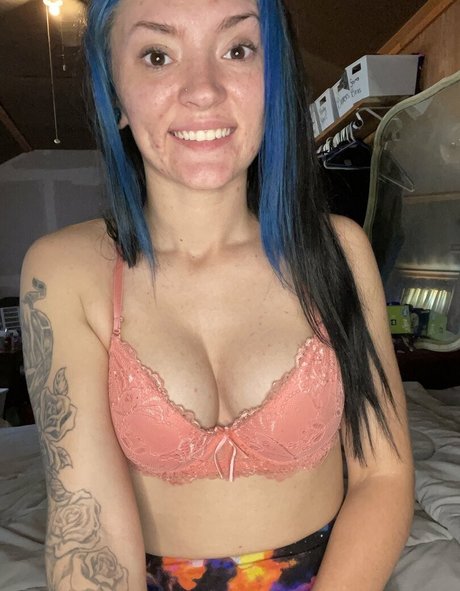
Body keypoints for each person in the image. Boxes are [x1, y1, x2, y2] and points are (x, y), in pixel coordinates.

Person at [20, 0, 414, 589]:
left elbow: (382, 477)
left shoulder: (338, 252)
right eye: (158, 56)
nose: (202, 90)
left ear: (272, 78)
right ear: (114, 90)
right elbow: (88, 526)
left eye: (237, 49)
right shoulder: (63, 273)